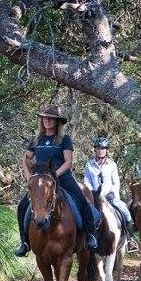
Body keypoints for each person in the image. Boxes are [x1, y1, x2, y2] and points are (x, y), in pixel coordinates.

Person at [15, 105, 98, 257]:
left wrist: (54, 175)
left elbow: (68, 162)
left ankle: (90, 236)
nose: (46, 120)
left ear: (57, 121)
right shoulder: (37, 139)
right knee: (22, 206)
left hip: (63, 178)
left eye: (50, 118)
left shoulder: (64, 140)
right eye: (44, 118)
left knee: (82, 201)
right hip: (40, 182)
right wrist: (29, 177)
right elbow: (26, 159)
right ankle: (24, 242)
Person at [83, 137, 135, 236]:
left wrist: (112, 193)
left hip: (110, 197)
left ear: (107, 150)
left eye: (103, 148)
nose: (100, 151)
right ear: (95, 150)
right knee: (83, 213)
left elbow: (116, 182)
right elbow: (87, 181)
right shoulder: (89, 165)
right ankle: (86, 239)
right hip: (94, 198)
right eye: (98, 148)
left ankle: (129, 238)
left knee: (125, 211)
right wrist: (92, 193)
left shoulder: (112, 165)